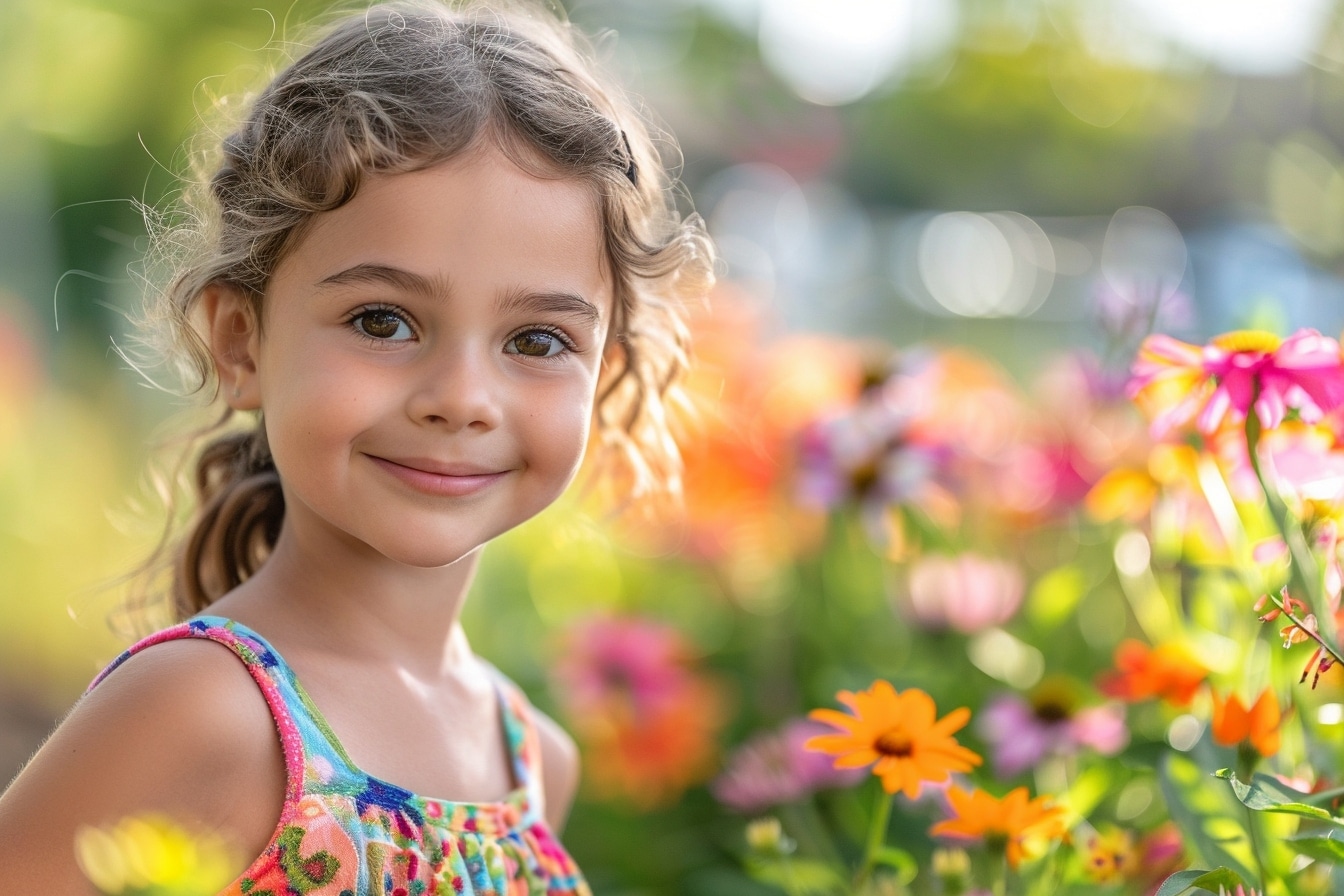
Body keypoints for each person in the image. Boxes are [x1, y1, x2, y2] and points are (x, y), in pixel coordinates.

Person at [0, 0, 713, 891]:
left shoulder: (534, 762)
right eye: (383, 320)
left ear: (602, 374)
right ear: (241, 342)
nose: (461, 400)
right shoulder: (201, 709)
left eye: (536, 340)